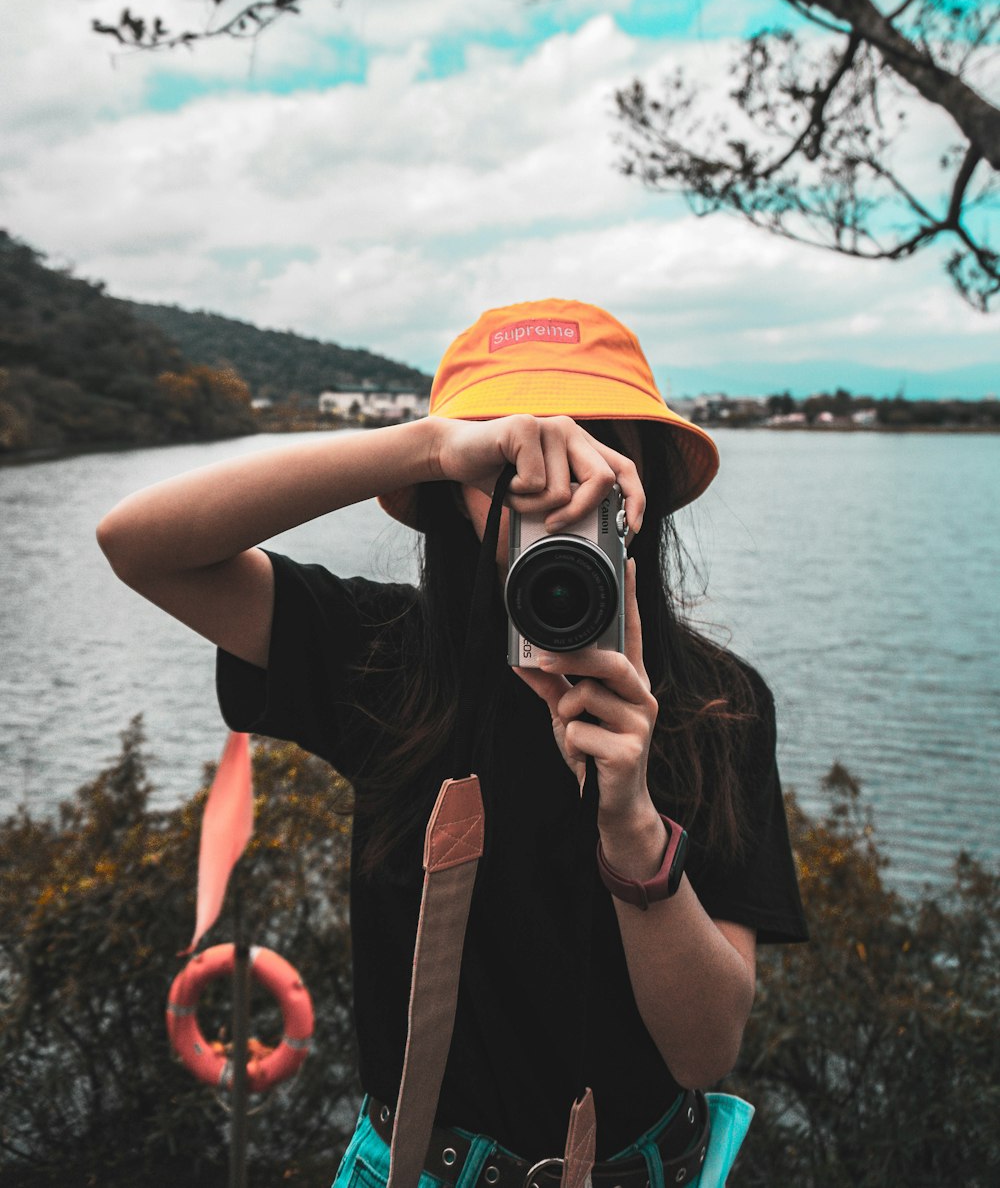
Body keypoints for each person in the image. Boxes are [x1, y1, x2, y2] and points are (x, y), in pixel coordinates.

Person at [97, 297, 808, 1188]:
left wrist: (632, 824)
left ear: (644, 488)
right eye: (509, 467)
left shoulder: (718, 706)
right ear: (449, 499)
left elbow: (705, 1053)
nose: (558, 495)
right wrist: (431, 444)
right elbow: (138, 544)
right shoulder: (389, 658)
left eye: (597, 456)